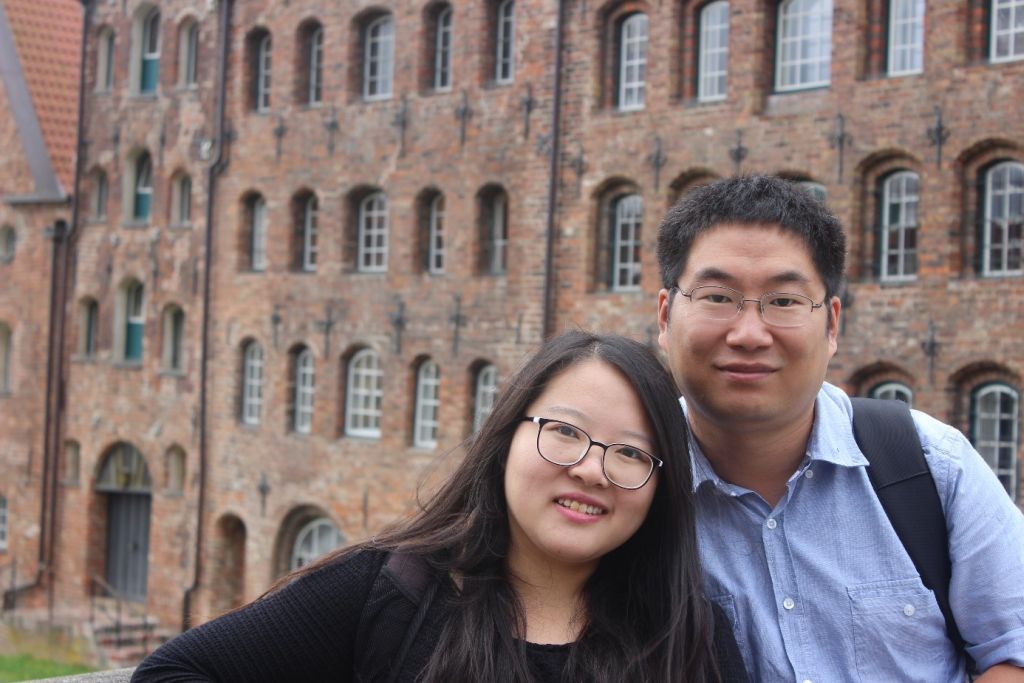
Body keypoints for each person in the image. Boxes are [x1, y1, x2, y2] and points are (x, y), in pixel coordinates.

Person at [133, 331, 748, 682]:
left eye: (631, 453)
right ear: (506, 438)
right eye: (564, 431)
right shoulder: (394, 592)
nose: (591, 468)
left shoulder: (687, 637)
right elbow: (173, 674)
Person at [655, 174, 1024, 682]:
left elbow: (1013, 652)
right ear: (665, 316)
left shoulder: (931, 466)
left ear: (831, 324)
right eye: (717, 297)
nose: (748, 334)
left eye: (784, 301)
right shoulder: (627, 481)